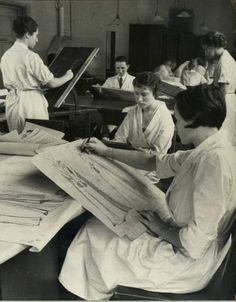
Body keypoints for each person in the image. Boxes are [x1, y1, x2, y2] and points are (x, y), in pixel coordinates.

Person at [59, 84, 236, 300]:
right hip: (187, 244)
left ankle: (88, 296)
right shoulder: (211, 149)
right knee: (99, 228)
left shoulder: (213, 163)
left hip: (187, 263)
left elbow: (195, 243)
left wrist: (160, 228)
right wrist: (106, 151)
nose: (175, 124)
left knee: (94, 235)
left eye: (178, 119)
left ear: (194, 121)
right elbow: (154, 161)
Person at [0, 16, 73, 133]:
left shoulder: (6, 56)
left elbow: (20, 81)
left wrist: (34, 88)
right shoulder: (31, 56)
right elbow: (52, 83)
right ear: (28, 34)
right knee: (36, 140)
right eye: (36, 35)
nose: (37, 39)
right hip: (30, 104)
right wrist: (68, 76)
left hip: (13, 103)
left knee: (18, 140)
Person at [113, 72, 174, 154]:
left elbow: (159, 153)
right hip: (129, 158)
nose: (139, 99)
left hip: (152, 163)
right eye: (136, 93)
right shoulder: (133, 111)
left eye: (144, 95)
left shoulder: (164, 116)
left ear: (155, 93)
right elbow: (120, 138)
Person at [202, 31, 236, 145]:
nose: (205, 53)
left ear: (213, 47)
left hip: (224, 102)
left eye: (206, 49)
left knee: (221, 138)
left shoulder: (224, 62)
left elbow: (223, 90)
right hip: (227, 100)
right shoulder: (224, 58)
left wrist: (213, 107)